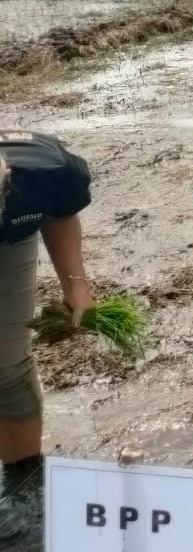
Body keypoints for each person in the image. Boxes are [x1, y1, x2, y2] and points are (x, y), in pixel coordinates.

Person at [1, 131, 94, 502]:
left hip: (9, 238)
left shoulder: (45, 170)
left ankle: (25, 483)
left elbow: (59, 212)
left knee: (7, 363)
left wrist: (75, 284)